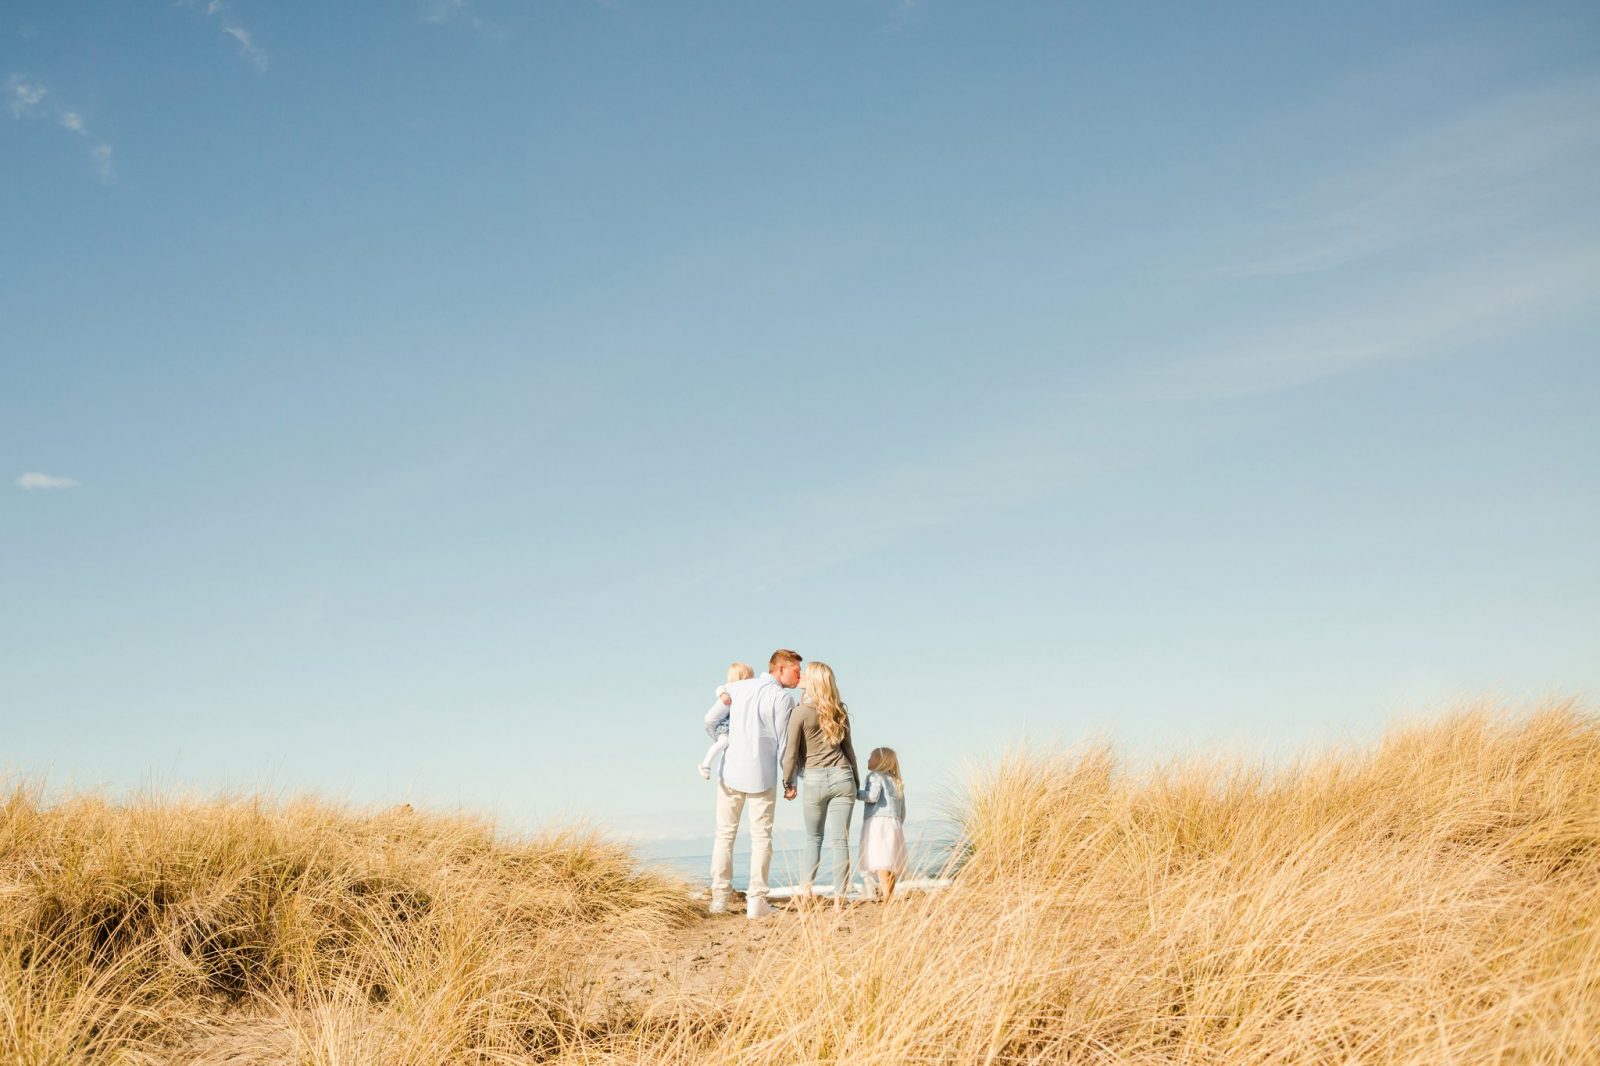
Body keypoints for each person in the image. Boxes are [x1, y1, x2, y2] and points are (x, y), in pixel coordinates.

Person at [705, 649, 802, 919]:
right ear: (780, 669)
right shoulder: (782, 698)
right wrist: (789, 779)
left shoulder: (737, 688)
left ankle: (719, 899)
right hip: (762, 775)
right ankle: (756, 900)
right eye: (796, 670)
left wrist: (723, 739)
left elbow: (710, 720)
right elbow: (786, 744)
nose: (799, 676)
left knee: (725, 835)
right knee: (761, 838)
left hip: (731, 773)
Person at [781, 661, 859, 908]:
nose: (800, 675)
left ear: (813, 681)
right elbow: (850, 752)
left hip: (814, 779)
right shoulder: (838, 710)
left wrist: (788, 782)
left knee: (814, 838)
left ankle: (806, 894)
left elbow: (790, 753)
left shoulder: (800, 712)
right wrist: (855, 781)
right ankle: (839, 900)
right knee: (840, 842)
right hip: (843, 776)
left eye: (806, 674)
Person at [857, 746, 907, 903]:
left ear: (881, 761)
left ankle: (887, 900)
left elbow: (872, 796)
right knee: (889, 863)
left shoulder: (874, 776)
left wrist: (853, 792)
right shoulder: (896, 781)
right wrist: (897, 825)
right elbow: (903, 810)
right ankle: (889, 896)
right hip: (894, 824)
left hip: (877, 823)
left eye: (871, 757)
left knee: (880, 862)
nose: (868, 759)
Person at [699, 662, 755, 779]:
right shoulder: (730, 688)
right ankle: (705, 765)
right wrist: (723, 694)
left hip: (729, 725)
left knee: (726, 744)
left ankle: (712, 767)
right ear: (744, 677)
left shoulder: (742, 691)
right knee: (723, 742)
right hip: (723, 725)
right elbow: (719, 688)